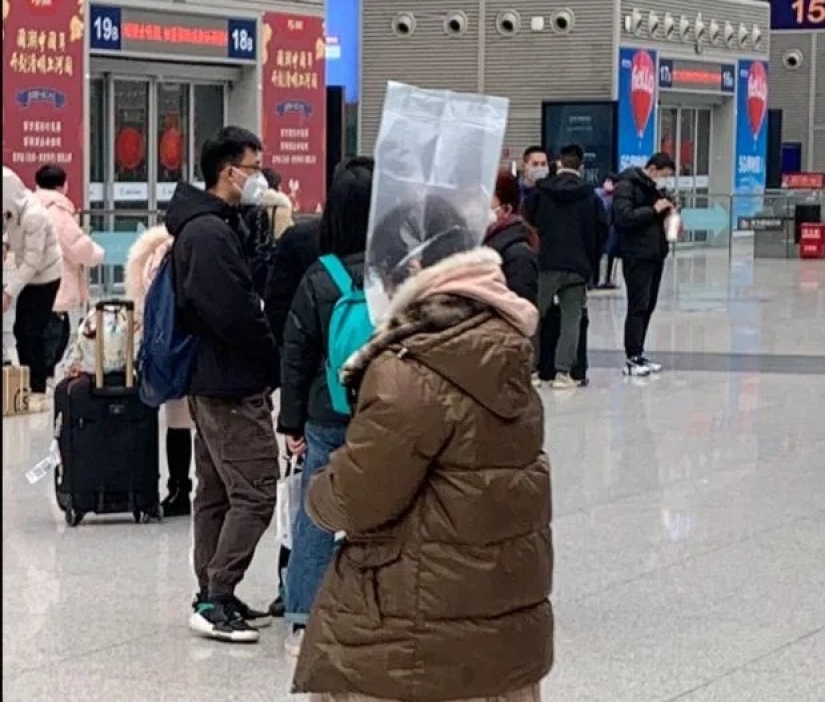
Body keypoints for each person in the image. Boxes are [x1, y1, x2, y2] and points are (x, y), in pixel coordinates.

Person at [291, 195, 553, 702]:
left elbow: (357, 497)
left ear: (411, 269)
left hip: (418, 622)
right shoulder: (501, 344)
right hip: (500, 616)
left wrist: (317, 490)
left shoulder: (411, 370)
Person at [165, 126, 280, 643]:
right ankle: (216, 595)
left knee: (215, 490)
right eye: (253, 168)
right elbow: (234, 312)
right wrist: (271, 356)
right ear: (229, 171)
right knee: (255, 491)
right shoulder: (208, 234)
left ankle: (212, 591)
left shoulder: (211, 225)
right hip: (229, 381)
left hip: (210, 377)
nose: (259, 177)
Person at [278, 157, 374, 656]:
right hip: (388, 413)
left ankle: (302, 620)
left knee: (316, 514)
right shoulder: (398, 273)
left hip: (328, 412)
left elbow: (295, 355)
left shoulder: (320, 275)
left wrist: (290, 422)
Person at [523, 144, 606, 390]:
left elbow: (526, 221)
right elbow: (601, 230)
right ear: (581, 167)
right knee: (572, 320)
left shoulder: (541, 191)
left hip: (546, 263)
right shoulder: (590, 195)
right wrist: (591, 265)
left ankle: (532, 371)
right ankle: (563, 373)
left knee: (534, 317)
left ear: (559, 163)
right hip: (577, 266)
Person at [125, 225, 193, 517]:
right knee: (200, 423)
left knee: (176, 423)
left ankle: (178, 488)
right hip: (194, 346)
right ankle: (191, 488)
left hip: (166, 350)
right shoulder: (190, 252)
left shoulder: (153, 257)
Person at [34, 164, 105, 377]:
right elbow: (77, 246)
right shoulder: (57, 212)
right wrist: (97, 254)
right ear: (62, 186)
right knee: (52, 346)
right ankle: (41, 387)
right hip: (54, 289)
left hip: (32, 288)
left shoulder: (31, 208)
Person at [2, 166, 62, 412]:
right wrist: (4, 245)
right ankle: (26, 383)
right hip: (29, 277)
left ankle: (38, 388)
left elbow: (32, 261)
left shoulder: (33, 215)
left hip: (46, 277)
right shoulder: (12, 210)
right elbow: (9, 231)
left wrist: (8, 292)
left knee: (32, 331)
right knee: (20, 329)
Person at [613, 152, 676, 377]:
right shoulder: (627, 185)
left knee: (648, 305)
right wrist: (653, 210)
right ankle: (631, 356)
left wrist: (669, 214)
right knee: (637, 306)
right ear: (652, 169)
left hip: (655, 254)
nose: (665, 181)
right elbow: (624, 218)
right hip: (637, 255)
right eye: (664, 175)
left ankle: (639, 353)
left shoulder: (654, 189)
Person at [486, 171, 538, 305]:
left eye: (486, 205)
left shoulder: (518, 256)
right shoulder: (486, 242)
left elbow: (522, 308)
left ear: (506, 209)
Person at [595, 173, 620, 289]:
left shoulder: (616, 197)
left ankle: (608, 279)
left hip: (611, 230)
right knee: (599, 255)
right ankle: (597, 280)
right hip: (599, 229)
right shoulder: (597, 194)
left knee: (610, 255)